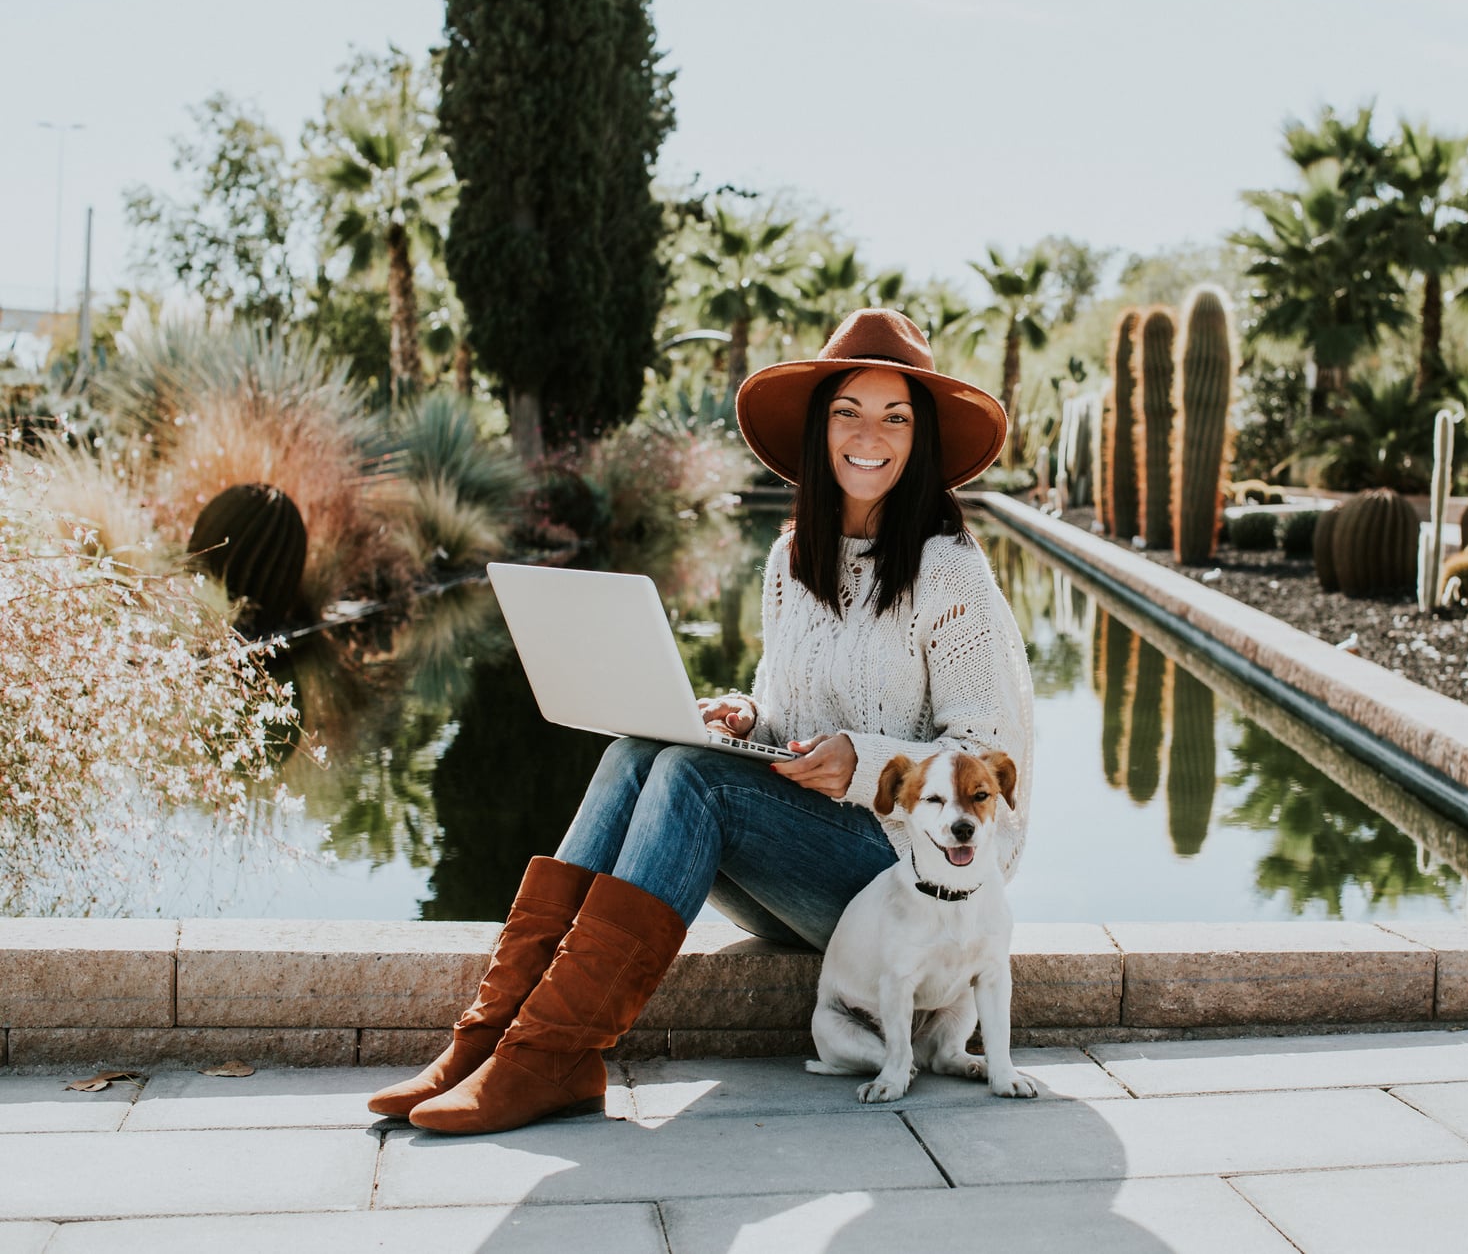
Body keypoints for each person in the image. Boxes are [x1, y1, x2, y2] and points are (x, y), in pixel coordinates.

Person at [369, 308, 1035, 1135]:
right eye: (848, 413)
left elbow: (985, 759)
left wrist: (863, 763)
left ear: (920, 437)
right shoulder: (791, 559)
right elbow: (786, 704)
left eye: (895, 416)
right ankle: (495, 1036)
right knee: (637, 750)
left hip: (907, 888)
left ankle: (552, 1054)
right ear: (820, 430)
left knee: (692, 779)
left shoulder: (950, 570)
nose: (872, 435)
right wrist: (747, 714)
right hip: (808, 873)